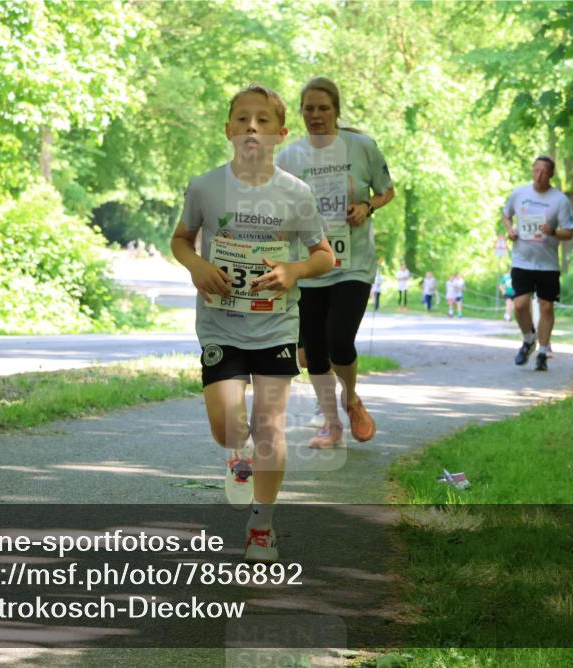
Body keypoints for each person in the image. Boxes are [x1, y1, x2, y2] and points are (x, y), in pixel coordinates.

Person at [171, 84, 334, 563]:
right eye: (242, 119)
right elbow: (182, 239)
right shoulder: (205, 187)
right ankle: (236, 455)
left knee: (271, 426)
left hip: (276, 324)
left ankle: (261, 526)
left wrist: (294, 271)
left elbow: (323, 255)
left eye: (263, 121)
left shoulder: (296, 193)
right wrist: (196, 266)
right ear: (228, 129)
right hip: (221, 325)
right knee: (228, 428)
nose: (252, 128)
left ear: (281, 134)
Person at [276, 76, 393, 448]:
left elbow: (386, 190)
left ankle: (352, 400)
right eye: (308, 108)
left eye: (323, 108)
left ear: (336, 111)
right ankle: (331, 424)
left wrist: (367, 206)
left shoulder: (361, 147)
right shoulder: (290, 158)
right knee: (314, 351)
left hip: (353, 262)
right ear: (301, 113)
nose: (316, 115)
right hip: (310, 265)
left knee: (340, 340)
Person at [502, 155, 573, 371]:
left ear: (551, 174)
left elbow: (569, 232)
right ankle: (528, 339)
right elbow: (506, 214)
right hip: (522, 260)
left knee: (546, 307)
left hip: (547, 263)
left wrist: (552, 231)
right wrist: (510, 230)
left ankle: (543, 352)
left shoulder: (560, 200)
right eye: (536, 170)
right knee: (519, 305)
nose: (539, 175)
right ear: (532, 170)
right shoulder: (520, 193)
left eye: (544, 172)